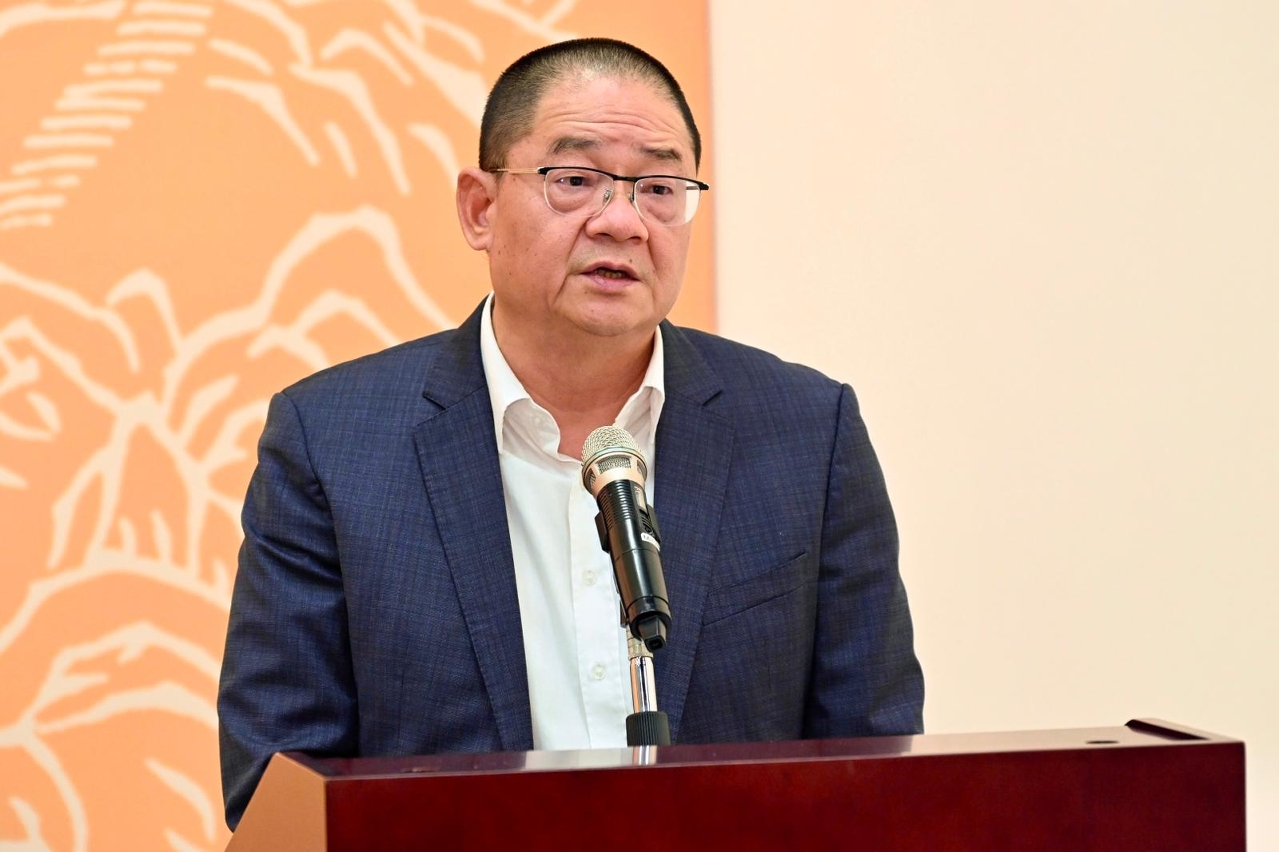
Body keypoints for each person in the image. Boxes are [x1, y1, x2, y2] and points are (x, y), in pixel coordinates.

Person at [217, 37, 924, 830]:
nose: (622, 221)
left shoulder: (805, 433)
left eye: (659, 188)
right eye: (575, 180)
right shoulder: (333, 443)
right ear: (480, 209)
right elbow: (280, 793)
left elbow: (875, 769)